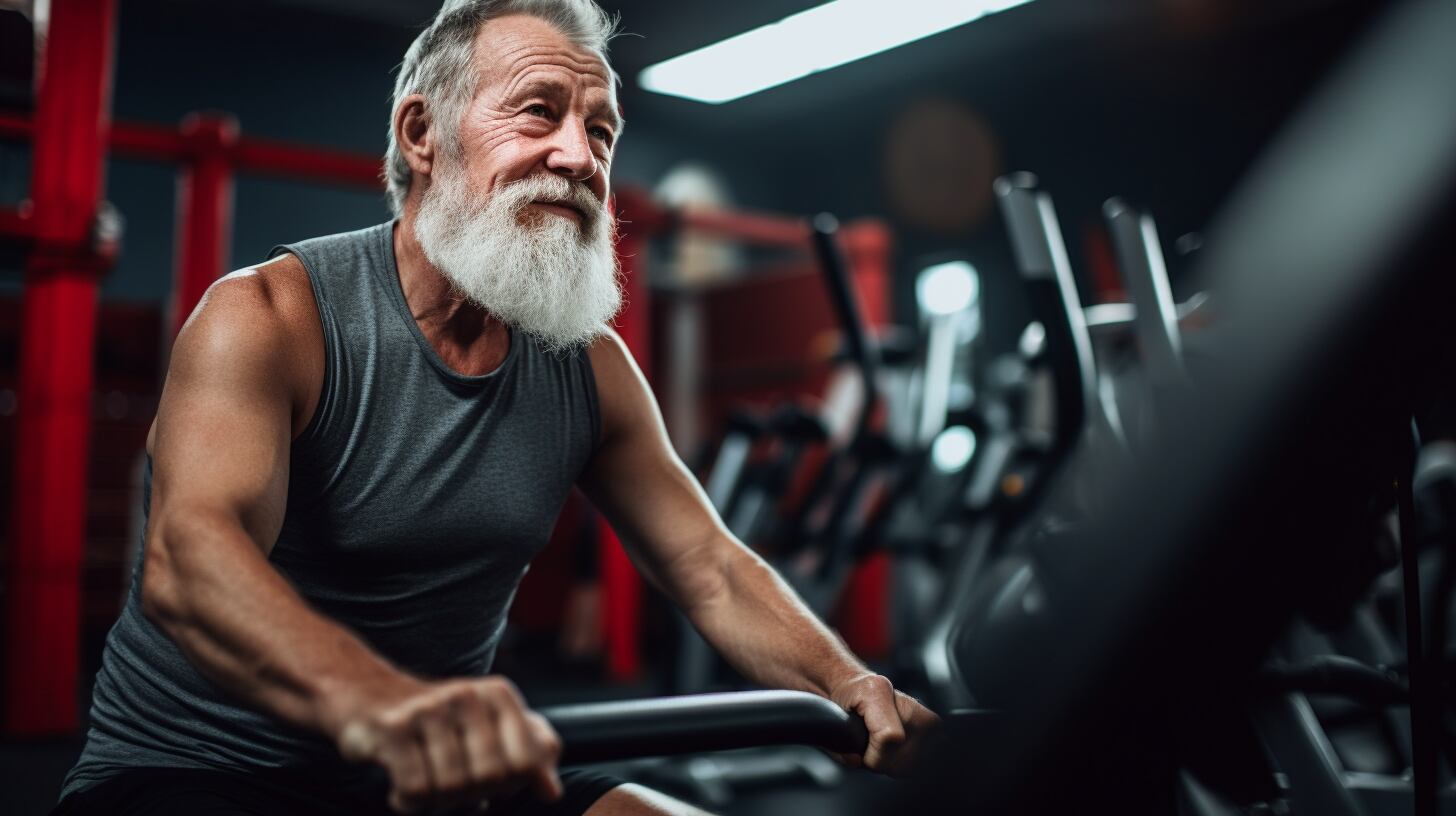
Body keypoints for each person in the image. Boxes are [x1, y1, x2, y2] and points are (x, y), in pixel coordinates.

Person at [53, 2, 938, 814]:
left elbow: (708, 564)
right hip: (199, 771)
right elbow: (189, 557)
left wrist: (843, 679)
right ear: (422, 133)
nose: (580, 157)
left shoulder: (586, 365)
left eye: (601, 131)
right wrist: (389, 708)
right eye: (537, 111)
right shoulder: (270, 316)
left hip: (440, 777)